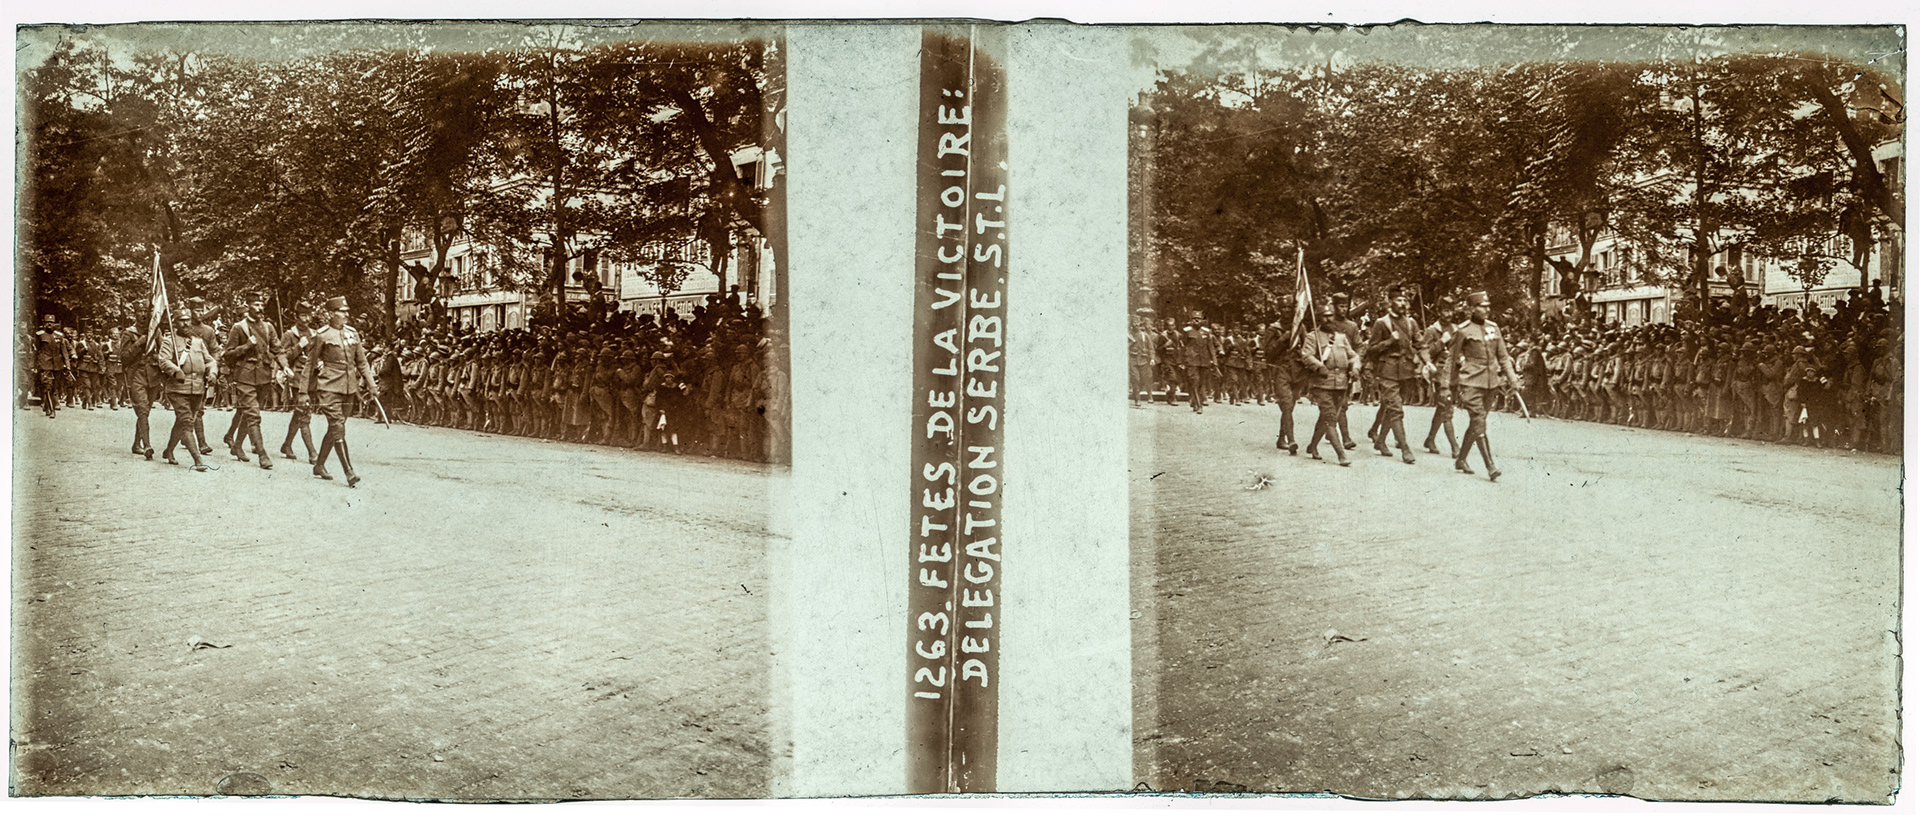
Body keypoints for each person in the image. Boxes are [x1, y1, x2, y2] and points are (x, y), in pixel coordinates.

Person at [304, 296, 379, 487]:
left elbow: (361, 362)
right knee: (338, 427)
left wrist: (371, 384)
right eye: (342, 312)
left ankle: (319, 465)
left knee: (336, 428)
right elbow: (309, 365)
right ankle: (349, 471)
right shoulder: (321, 335)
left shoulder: (353, 334)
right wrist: (303, 393)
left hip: (349, 388)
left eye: (346, 311)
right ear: (331, 314)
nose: (346, 315)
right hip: (328, 387)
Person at [1448, 291, 1520, 481]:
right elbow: (1452, 359)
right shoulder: (1462, 330)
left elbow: (1503, 357)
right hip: (1470, 382)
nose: (1487, 310)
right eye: (1483, 306)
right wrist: (1448, 387)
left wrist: (1512, 378)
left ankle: (1461, 459)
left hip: (1491, 383)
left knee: (1476, 423)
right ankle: (1491, 467)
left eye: (1488, 306)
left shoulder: (1494, 328)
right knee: (1479, 421)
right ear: (1472, 309)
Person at [220, 292, 284, 469]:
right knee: (254, 415)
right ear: (248, 307)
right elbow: (228, 355)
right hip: (245, 376)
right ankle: (263, 455)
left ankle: (238, 445)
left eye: (261, 304)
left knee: (250, 414)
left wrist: (285, 366)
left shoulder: (268, 327)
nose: (260, 307)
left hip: (263, 375)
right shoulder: (238, 328)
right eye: (256, 304)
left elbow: (278, 349)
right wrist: (247, 346)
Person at [1366, 288, 1426, 464]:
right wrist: (1390, 341)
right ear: (1390, 302)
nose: (1403, 303)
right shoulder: (1381, 323)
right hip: (1388, 371)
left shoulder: (1411, 323)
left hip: (1406, 371)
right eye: (1399, 300)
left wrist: (1427, 362)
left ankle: (1381, 440)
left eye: (1404, 300)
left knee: (1391, 408)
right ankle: (1405, 449)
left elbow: (1420, 344)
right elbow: (1371, 350)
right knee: (1396, 410)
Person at [154, 304, 218, 472]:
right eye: (181, 321)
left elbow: (210, 360)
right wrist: (175, 371)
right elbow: (163, 360)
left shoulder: (198, 342)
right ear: (174, 323)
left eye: (187, 320)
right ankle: (198, 460)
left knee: (181, 422)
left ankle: (168, 451)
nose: (185, 324)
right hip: (177, 389)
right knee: (187, 422)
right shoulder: (169, 341)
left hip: (198, 389)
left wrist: (213, 372)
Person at [1300, 301, 1361, 466]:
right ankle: (1341, 455)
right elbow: (1306, 355)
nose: (1328, 319)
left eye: (1330, 316)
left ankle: (1312, 446)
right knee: (1330, 418)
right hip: (1322, 384)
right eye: (1325, 316)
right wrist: (1318, 366)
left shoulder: (1341, 338)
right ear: (1319, 319)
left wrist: (1355, 367)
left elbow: (1353, 355)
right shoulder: (1313, 337)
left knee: (1325, 418)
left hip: (1341, 384)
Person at [278, 313, 320, 463]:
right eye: (303, 315)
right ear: (296, 316)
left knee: (299, 413)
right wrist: (299, 346)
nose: (307, 318)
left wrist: (320, 362)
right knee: (304, 413)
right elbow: (282, 357)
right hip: (297, 379)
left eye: (309, 315)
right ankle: (313, 453)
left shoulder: (314, 334)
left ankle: (287, 445)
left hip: (311, 379)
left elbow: (318, 354)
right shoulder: (289, 334)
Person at [115, 325, 161, 459]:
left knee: (145, 411)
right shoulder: (129, 333)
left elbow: (164, 352)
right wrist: (138, 343)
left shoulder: (156, 331)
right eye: (139, 312)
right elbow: (124, 357)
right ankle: (147, 445)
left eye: (145, 312)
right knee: (142, 409)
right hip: (136, 375)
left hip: (153, 375)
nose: (143, 315)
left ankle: (136, 444)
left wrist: (157, 356)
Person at [33, 316, 71, 418]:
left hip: (57, 366)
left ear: (55, 324)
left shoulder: (59, 336)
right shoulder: (39, 335)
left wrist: (67, 365)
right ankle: (52, 410)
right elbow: (35, 351)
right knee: (47, 387)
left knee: (55, 388)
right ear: (44, 323)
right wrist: (34, 365)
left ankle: (47, 405)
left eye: (51, 322)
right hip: (45, 365)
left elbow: (64, 352)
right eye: (47, 322)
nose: (49, 324)